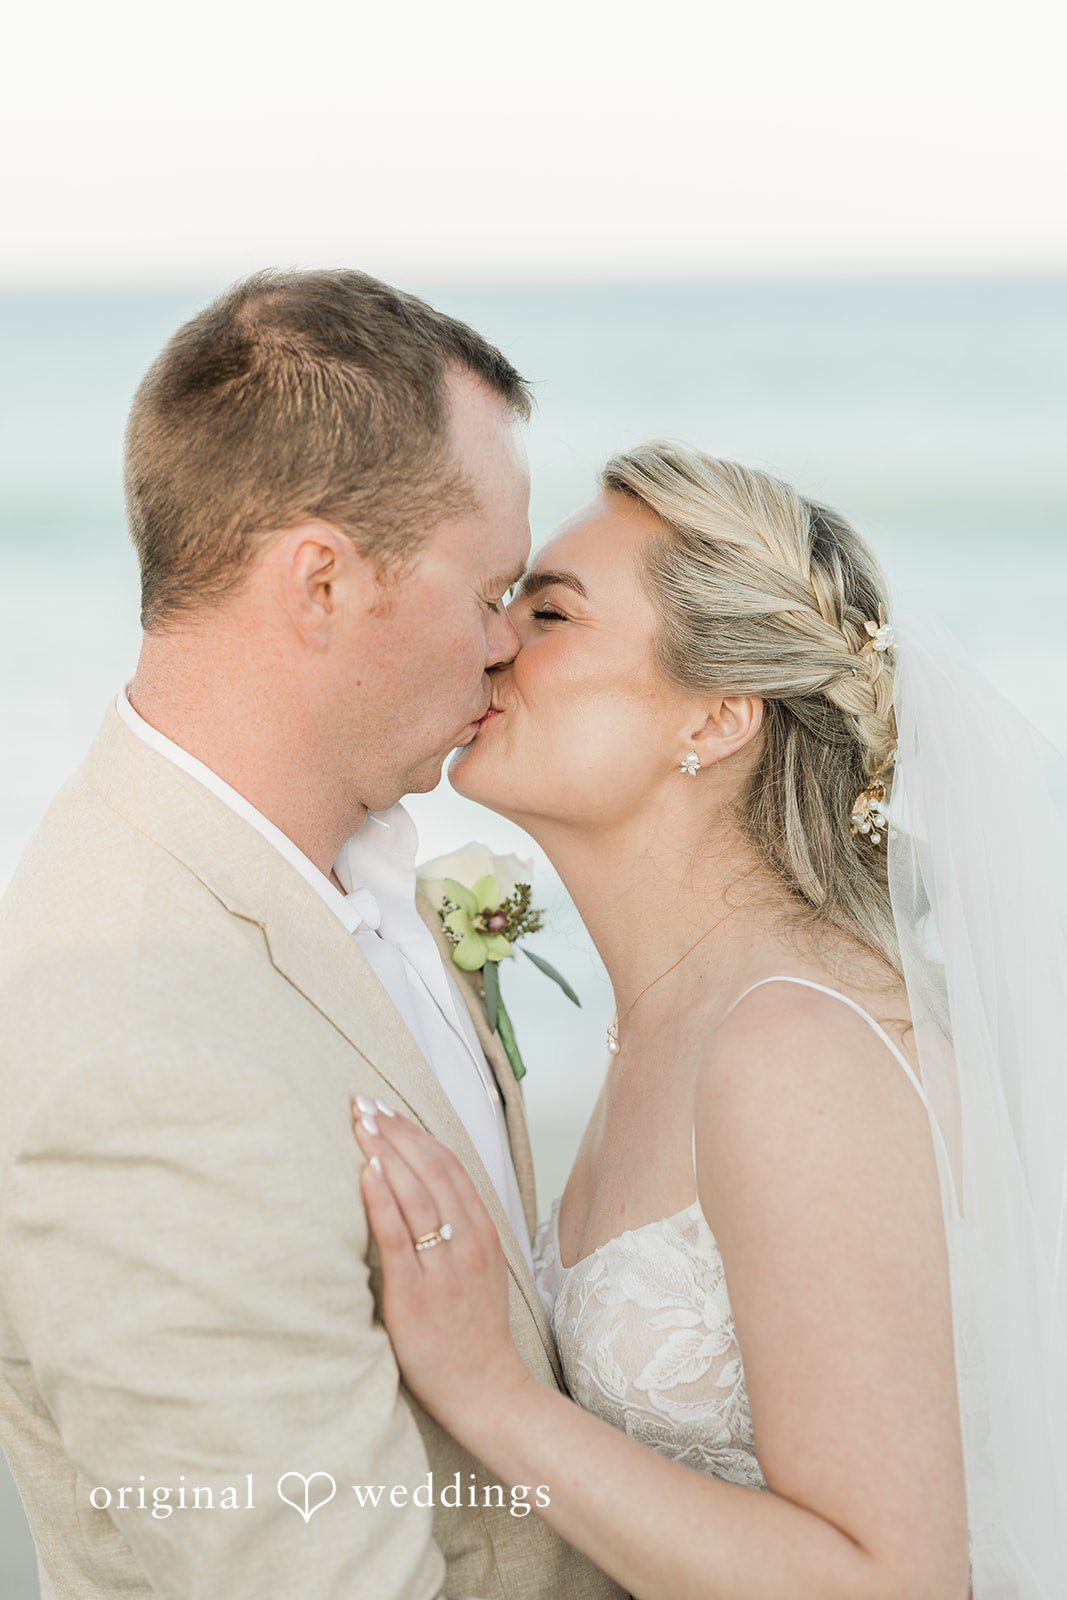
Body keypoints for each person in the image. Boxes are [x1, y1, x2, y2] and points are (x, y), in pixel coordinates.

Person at [0, 269, 624, 1600]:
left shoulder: (344, 862)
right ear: (323, 583)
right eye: (489, 589)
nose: (511, 643)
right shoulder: (142, 1056)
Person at [352, 445, 1067, 1599]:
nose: (492, 643)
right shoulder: (668, 1024)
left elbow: (887, 1580)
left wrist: (491, 1393)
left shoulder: (794, 1048)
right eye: (502, 606)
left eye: (548, 612)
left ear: (718, 716)